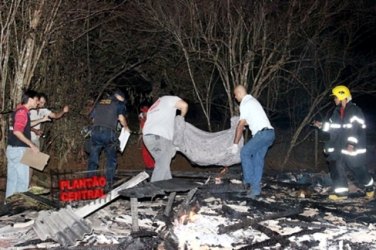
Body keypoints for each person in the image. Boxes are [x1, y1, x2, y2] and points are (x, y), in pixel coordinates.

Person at [313, 85, 374, 200]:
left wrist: (351, 144)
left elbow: (357, 129)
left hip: (353, 147)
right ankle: (341, 193)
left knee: (357, 168)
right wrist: (321, 125)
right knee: (335, 165)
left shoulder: (355, 111)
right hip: (338, 146)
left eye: (335, 97)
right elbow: (333, 127)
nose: (334, 99)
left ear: (342, 96)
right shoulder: (336, 112)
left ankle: (370, 186)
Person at [230, 85, 275, 199]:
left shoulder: (245, 103)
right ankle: (255, 191)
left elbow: (240, 126)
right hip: (270, 134)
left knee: (245, 152)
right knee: (257, 160)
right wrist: (241, 122)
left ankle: (248, 182)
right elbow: (246, 121)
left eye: (235, 95)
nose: (235, 97)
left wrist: (235, 144)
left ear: (239, 93)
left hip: (262, 134)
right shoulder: (253, 101)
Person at [6, 90, 50, 198]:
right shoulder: (22, 112)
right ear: (30, 99)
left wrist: (42, 119)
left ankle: (9, 205)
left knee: (12, 181)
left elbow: (27, 125)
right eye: (36, 100)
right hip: (19, 150)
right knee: (22, 182)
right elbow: (17, 131)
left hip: (13, 149)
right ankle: (20, 207)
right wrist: (32, 145)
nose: (38, 102)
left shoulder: (20, 110)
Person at [87, 90, 129, 189]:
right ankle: (108, 184)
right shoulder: (119, 104)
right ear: (120, 97)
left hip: (95, 131)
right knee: (111, 159)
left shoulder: (100, 103)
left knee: (93, 159)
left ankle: (89, 183)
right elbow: (121, 118)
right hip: (108, 132)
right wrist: (126, 127)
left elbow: (93, 119)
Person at [142, 95, 188, 182]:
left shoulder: (154, 106)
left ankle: (167, 189)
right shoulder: (171, 99)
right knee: (162, 164)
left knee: (163, 163)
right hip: (159, 136)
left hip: (148, 137)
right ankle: (154, 191)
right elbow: (184, 105)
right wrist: (180, 119)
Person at [138, 105, 155, 174]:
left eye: (145, 112)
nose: (144, 113)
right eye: (143, 112)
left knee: (149, 152)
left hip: (150, 138)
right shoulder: (141, 118)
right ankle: (148, 167)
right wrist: (139, 137)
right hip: (144, 137)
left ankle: (152, 167)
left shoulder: (152, 119)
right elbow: (141, 128)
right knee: (144, 153)